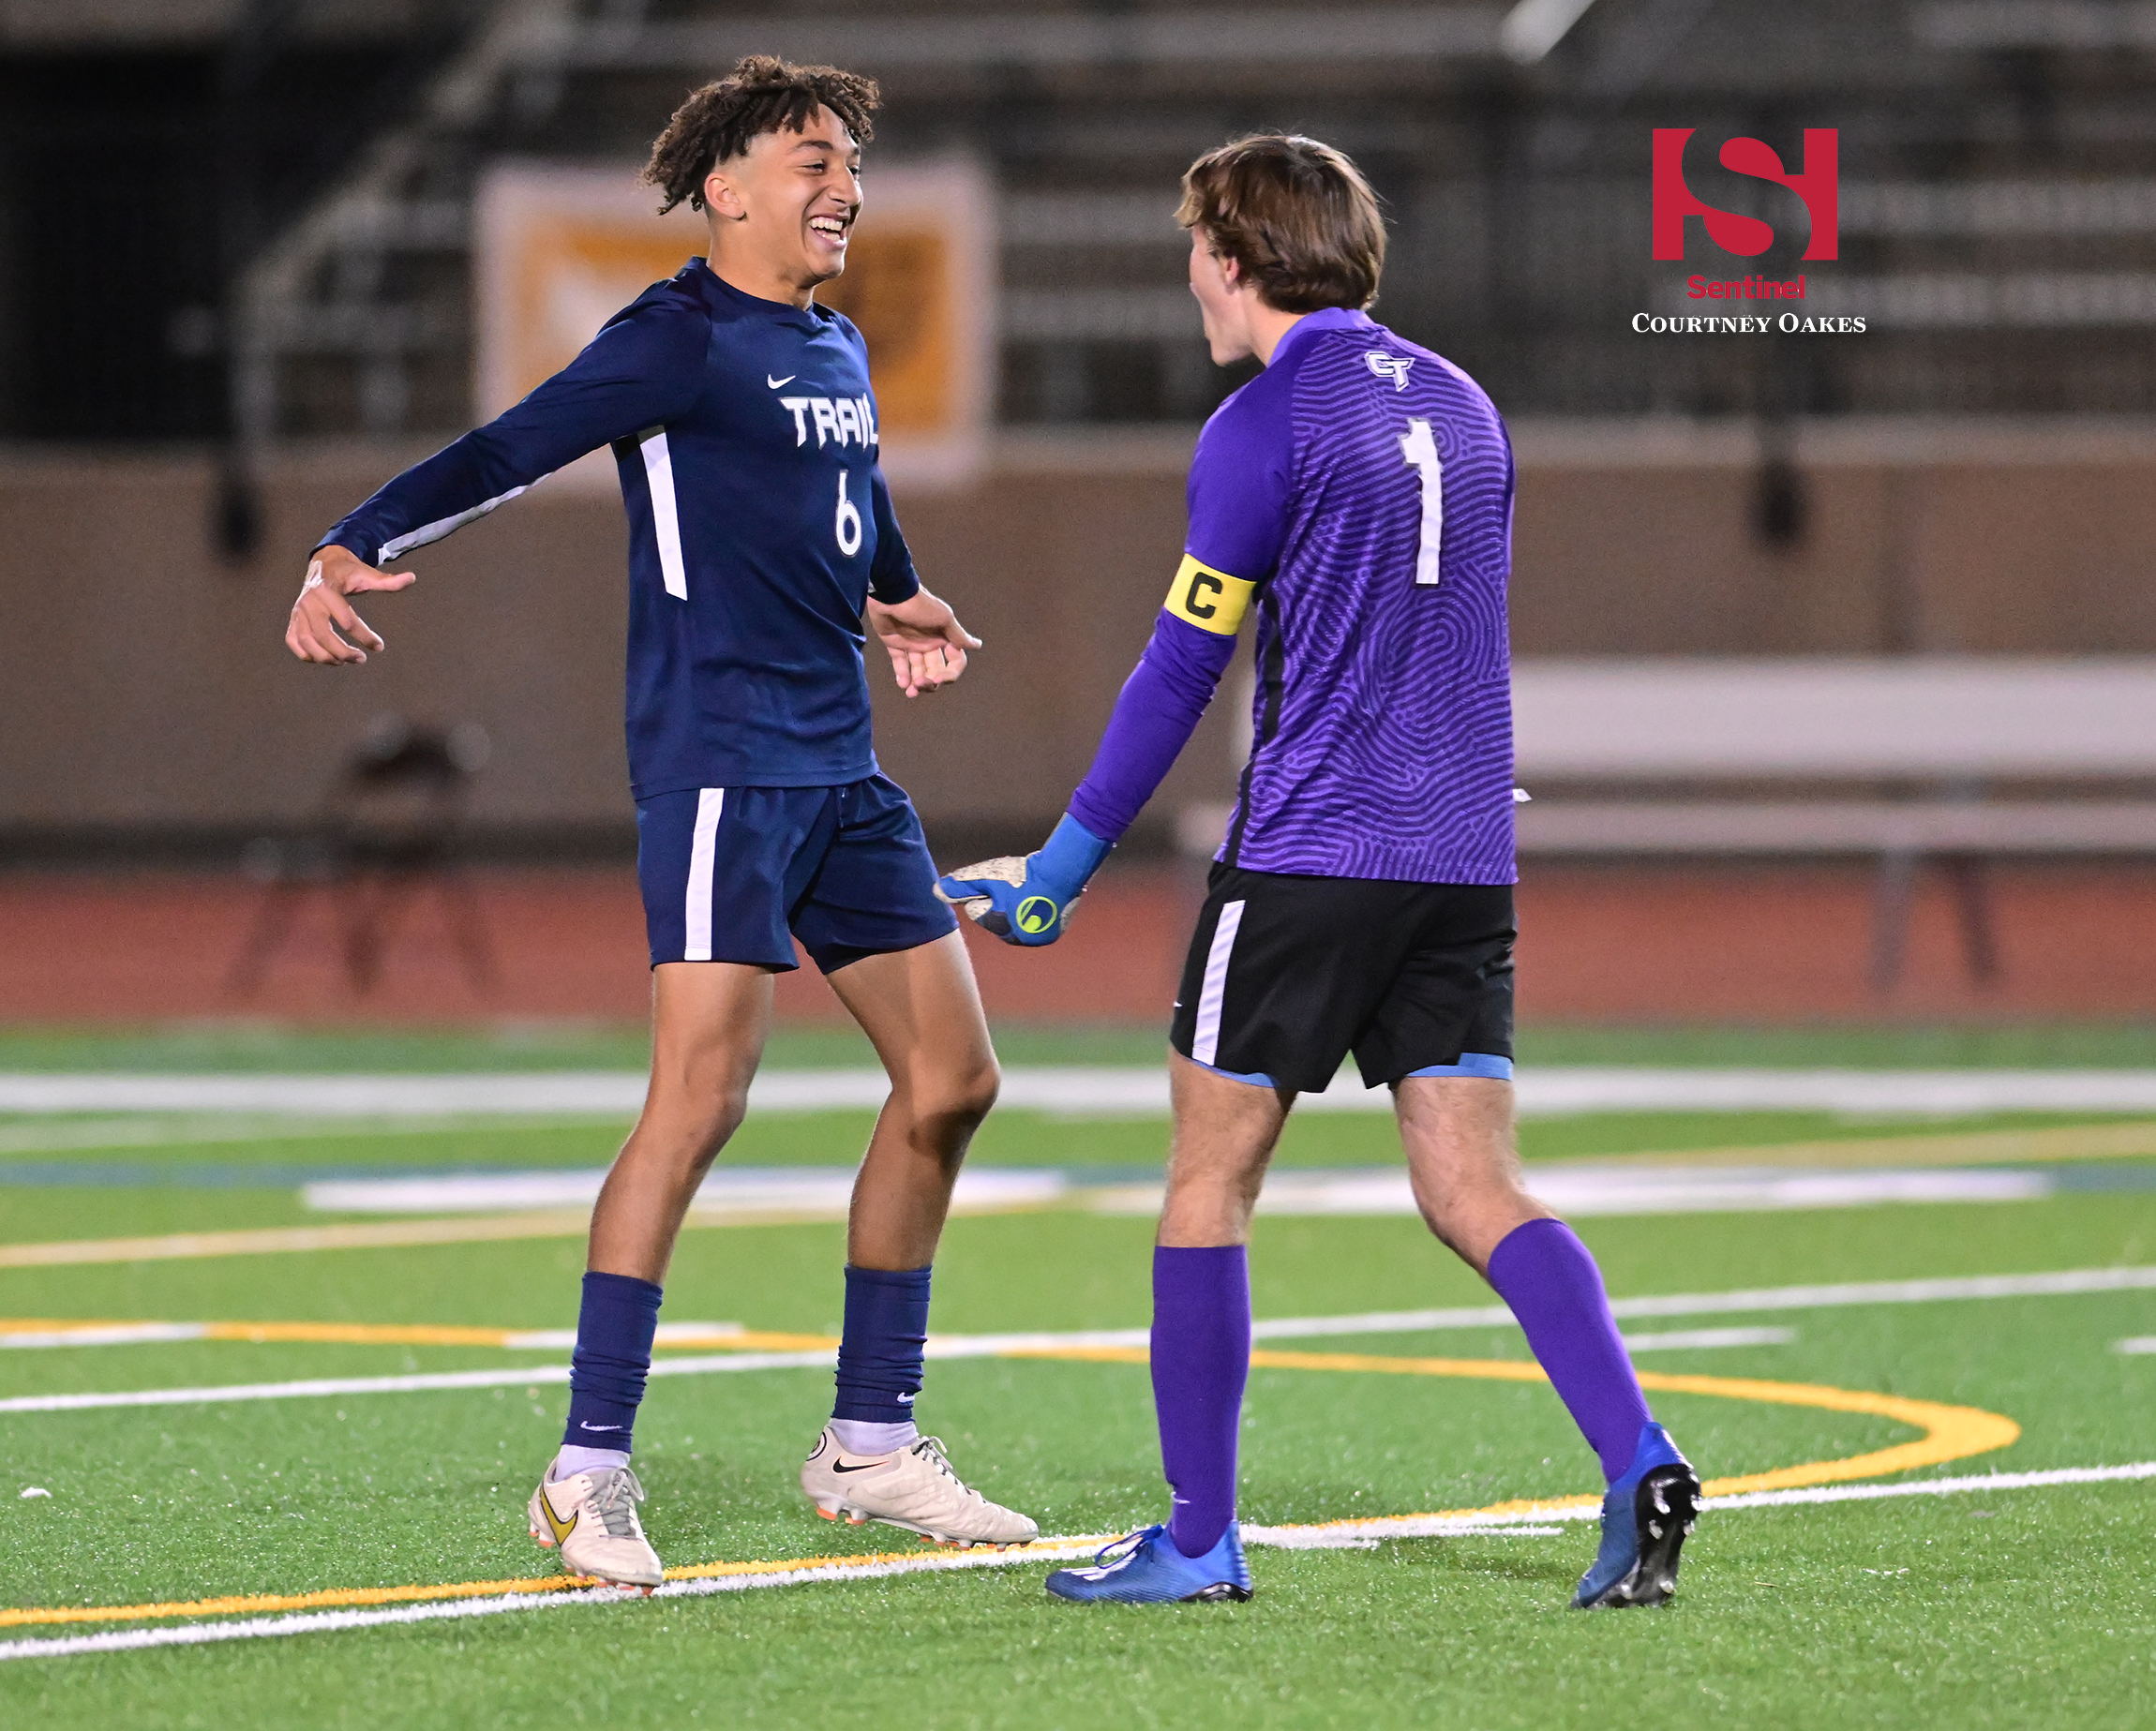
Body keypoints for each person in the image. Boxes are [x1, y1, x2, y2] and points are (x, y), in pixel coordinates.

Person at [287, 56, 1038, 1591]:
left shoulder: (833, 340)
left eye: (852, 165)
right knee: (700, 1099)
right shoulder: (676, 338)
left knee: (955, 1081)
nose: (843, 188)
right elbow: (516, 444)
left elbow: (857, 501)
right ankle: (584, 1471)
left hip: (842, 767)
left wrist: (901, 596)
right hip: (720, 766)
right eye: (813, 162)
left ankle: (870, 1446)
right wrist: (354, 540)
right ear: (728, 190)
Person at [937, 133, 1699, 1609]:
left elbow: (1179, 668)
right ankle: (1636, 1454)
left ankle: (1199, 1538)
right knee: (1477, 1184)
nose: (1191, 283)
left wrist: (1065, 863)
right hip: (1465, 858)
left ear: (1235, 255)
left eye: (1195, 253)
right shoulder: (1470, 410)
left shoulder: (1261, 425)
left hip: (1307, 855)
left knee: (1208, 1176)